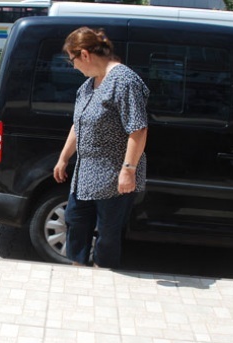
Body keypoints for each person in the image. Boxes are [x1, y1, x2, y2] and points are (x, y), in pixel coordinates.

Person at [53, 27, 149, 269]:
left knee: (107, 235)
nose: (73, 66)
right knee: (75, 223)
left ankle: (103, 280)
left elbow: (138, 129)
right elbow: (79, 124)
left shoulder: (124, 80)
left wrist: (128, 170)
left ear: (84, 54)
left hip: (113, 177)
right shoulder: (88, 86)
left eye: (72, 60)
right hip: (84, 175)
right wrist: (64, 158)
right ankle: (78, 271)